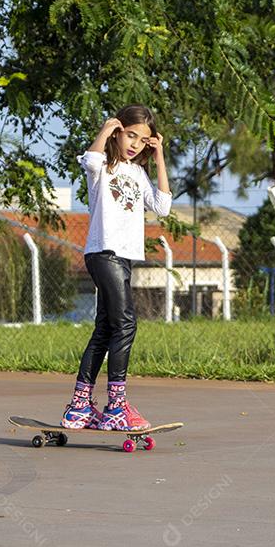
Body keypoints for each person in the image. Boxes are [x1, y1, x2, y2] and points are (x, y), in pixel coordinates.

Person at [62, 105, 172, 430]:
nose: (135, 144)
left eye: (144, 140)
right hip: (103, 251)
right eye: (131, 135)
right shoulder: (104, 167)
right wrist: (105, 130)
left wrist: (160, 155)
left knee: (106, 329)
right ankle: (116, 406)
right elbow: (90, 159)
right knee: (126, 325)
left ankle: (79, 407)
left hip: (122, 257)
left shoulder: (137, 174)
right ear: (119, 132)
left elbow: (163, 206)